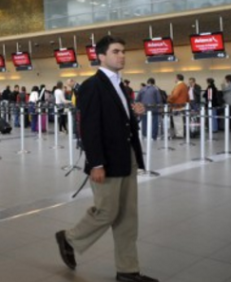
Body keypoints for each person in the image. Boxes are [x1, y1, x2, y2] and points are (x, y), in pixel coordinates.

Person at [55, 36, 157, 282]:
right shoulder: (92, 86)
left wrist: (136, 114)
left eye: (123, 51)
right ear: (101, 56)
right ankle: (69, 238)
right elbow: (89, 128)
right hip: (107, 161)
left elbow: (119, 121)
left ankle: (127, 270)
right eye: (116, 51)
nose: (121, 55)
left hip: (127, 156)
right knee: (106, 211)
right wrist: (96, 163)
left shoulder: (121, 86)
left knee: (127, 217)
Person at [167, 74, 189, 139]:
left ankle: (179, 135)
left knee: (177, 120)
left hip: (177, 106)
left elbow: (175, 95)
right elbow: (187, 96)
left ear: (177, 78)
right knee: (179, 120)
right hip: (182, 105)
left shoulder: (179, 85)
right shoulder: (185, 85)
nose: (174, 79)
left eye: (175, 78)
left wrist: (168, 99)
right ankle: (179, 133)